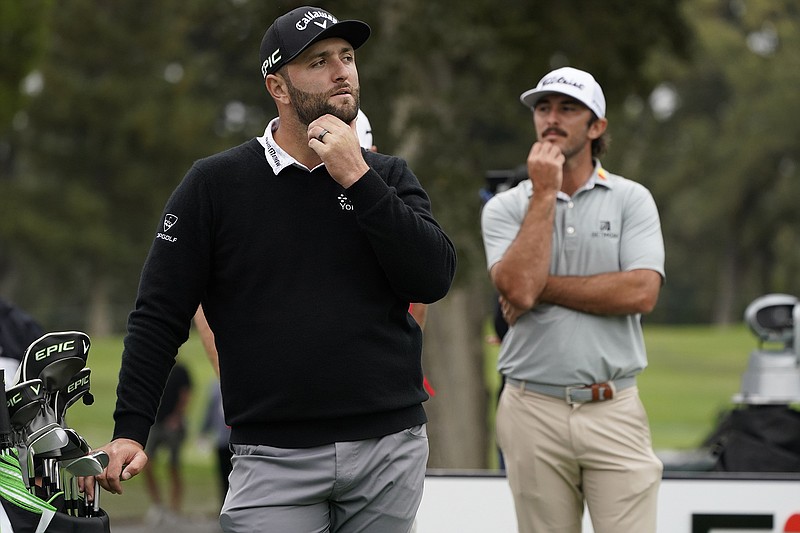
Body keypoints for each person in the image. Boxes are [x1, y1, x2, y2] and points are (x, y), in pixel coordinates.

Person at [95, 6, 456, 533]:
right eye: (318, 62)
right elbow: (158, 313)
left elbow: (433, 278)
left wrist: (358, 177)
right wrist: (131, 429)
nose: (342, 72)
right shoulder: (214, 186)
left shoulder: (386, 177)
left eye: (348, 58)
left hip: (388, 450)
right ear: (278, 87)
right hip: (273, 456)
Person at [480, 66, 665, 533]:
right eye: (543, 108)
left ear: (597, 126)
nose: (551, 118)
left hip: (613, 407)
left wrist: (545, 288)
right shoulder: (505, 207)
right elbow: (518, 288)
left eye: (568, 108)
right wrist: (544, 192)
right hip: (531, 409)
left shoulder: (632, 199)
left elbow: (641, 292)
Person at [142, 360, 192, 522]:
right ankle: (158, 505)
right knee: (146, 464)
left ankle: (174, 508)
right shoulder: (153, 368)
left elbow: (185, 394)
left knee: (173, 466)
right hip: (155, 422)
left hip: (173, 423)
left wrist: (177, 417)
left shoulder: (180, 370)